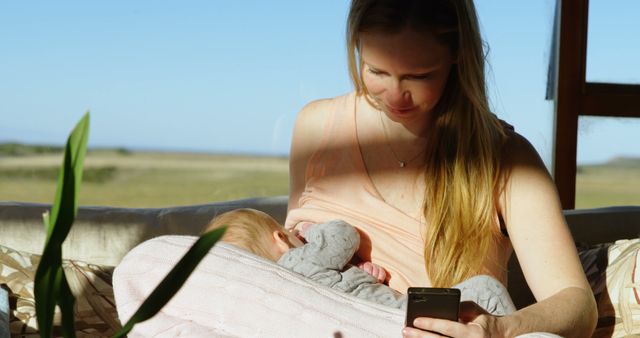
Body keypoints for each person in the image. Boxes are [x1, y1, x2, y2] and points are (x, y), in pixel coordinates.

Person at [285, 0, 598, 337]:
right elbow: (285, 252)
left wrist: (499, 330)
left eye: (418, 76)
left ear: (457, 54)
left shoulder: (508, 159)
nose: (394, 95)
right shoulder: (316, 128)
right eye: (376, 71)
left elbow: (578, 305)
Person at [204, 208, 515, 315]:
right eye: (289, 232)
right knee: (485, 289)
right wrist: (312, 230)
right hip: (401, 313)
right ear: (280, 238)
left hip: (381, 317)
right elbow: (345, 235)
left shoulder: (278, 292)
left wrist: (355, 272)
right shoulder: (299, 259)